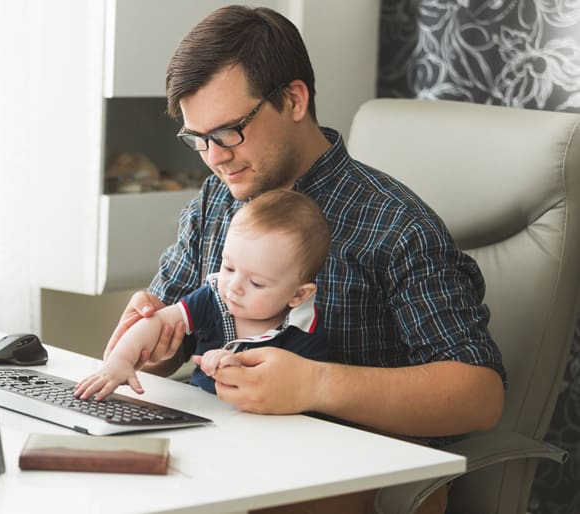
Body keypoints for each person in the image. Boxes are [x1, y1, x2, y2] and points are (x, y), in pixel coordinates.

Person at [103, 5, 506, 513]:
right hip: (215, 456)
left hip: (330, 482)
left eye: (228, 131)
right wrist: (152, 347)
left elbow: (480, 394)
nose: (215, 156)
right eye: (197, 139)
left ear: (294, 99)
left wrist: (314, 384)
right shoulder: (215, 201)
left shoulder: (396, 225)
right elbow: (167, 349)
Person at [75, 189, 331, 401]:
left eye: (256, 283)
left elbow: (291, 390)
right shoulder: (213, 298)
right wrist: (121, 360)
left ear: (298, 295)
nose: (234, 286)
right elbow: (158, 322)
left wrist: (236, 366)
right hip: (202, 412)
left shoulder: (305, 332)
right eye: (229, 267)